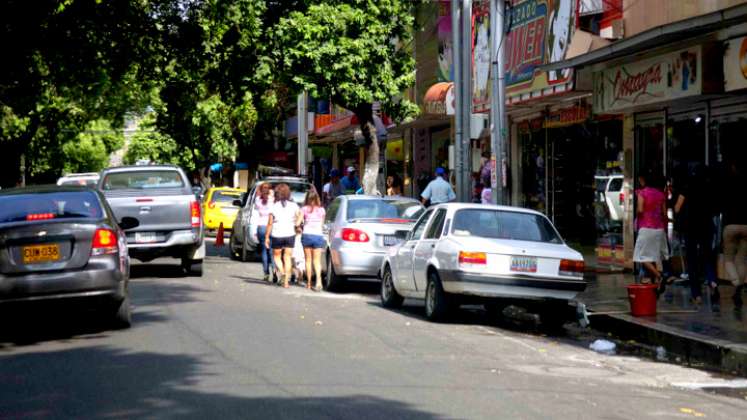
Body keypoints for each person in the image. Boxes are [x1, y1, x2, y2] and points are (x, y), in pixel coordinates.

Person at [675, 164, 718, 305]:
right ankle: (712, 280)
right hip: (706, 227)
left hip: (691, 228)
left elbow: (677, 208)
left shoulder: (686, 187)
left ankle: (696, 295)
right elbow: (715, 209)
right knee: (707, 256)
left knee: (692, 261)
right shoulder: (710, 187)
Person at [633, 172, 672, 296]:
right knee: (653, 256)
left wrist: (638, 216)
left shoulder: (642, 193)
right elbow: (665, 214)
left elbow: (640, 209)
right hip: (659, 230)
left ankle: (658, 276)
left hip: (646, 227)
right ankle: (654, 284)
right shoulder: (661, 195)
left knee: (641, 256)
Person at [264, 183, 302, 288]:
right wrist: (297, 224)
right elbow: (300, 215)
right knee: (288, 257)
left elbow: (270, 223)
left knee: (276, 256)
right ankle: (286, 282)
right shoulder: (294, 205)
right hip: (290, 234)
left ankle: (282, 272)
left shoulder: (274, 207)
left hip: (277, 234)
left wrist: (267, 237)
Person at [721, 160, 747, 308]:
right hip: (746, 226)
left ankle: (736, 282)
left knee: (729, 258)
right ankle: (738, 289)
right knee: (742, 260)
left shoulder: (728, 185)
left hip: (730, 225)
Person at [301, 190, 326, 291]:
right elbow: (322, 224)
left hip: (307, 235)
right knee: (317, 261)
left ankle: (309, 282)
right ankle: (319, 282)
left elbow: (299, 222)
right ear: (317, 199)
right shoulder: (322, 210)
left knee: (308, 260)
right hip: (318, 235)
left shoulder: (303, 209)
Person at [254, 183, 274, 282]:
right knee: (272, 251)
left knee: (263, 251)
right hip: (271, 226)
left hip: (261, 227)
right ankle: (275, 272)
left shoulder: (258, 200)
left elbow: (257, 196)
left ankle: (266, 273)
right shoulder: (272, 200)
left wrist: (260, 190)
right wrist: (271, 193)